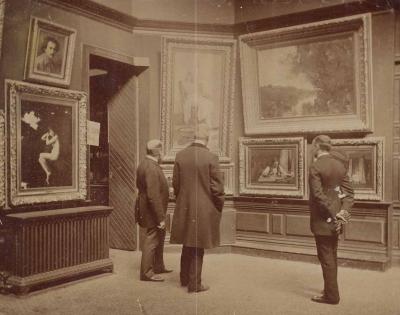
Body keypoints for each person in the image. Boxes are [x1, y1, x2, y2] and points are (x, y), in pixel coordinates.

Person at [170, 123, 225, 293]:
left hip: (184, 207)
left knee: (187, 242)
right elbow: (217, 188)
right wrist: (218, 205)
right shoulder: (211, 157)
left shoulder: (180, 155)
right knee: (198, 245)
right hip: (203, 208)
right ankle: (195, 284)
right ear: (206, 140)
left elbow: (176, 185)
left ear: (193, 138)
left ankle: (184, 278)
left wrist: (183, 202)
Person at [309, 135, 354, 305]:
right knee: (332, 255)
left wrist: (333, 215)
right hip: (337, 220)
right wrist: (341, 216)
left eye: (313, 146)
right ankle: (330, 289)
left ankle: (331, 296)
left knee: (326, 257)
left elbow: (318, 196)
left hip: (322, 220)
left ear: (317, 147)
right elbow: (349, 195)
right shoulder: (340, 166)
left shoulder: (315, 167)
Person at [135, 139, 172, 282]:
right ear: (157, 152)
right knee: (152, 238)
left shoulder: (146, 164)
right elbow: (153, 195)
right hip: (152, 210)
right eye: (161, 150)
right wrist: (160, 218)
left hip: (149, 208)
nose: (162, 154)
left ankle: (158, 266)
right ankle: (147, 273)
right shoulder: (151, 167)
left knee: (159, 237)